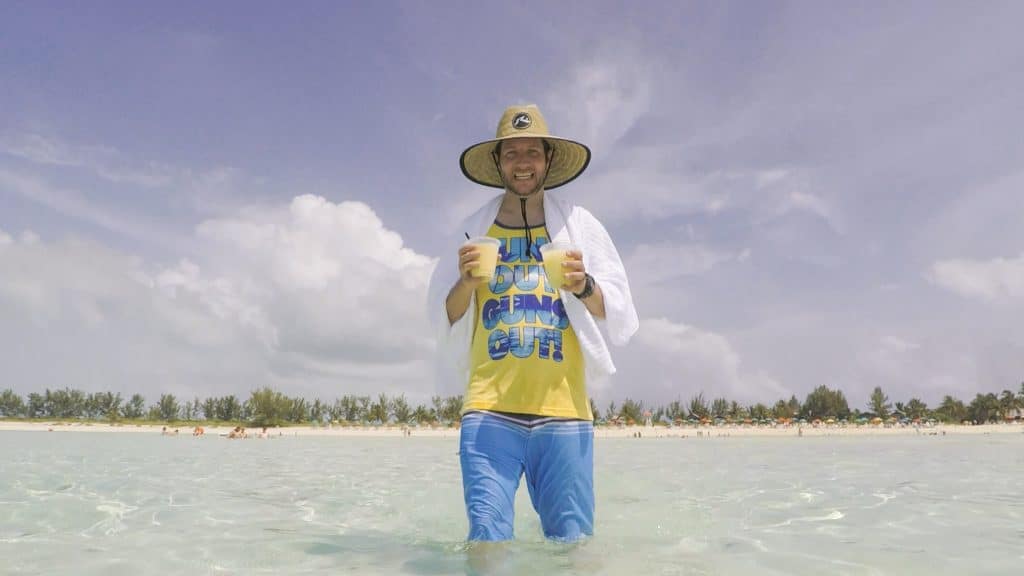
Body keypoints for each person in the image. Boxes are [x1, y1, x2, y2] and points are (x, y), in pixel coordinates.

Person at [427, 104, 638, 548]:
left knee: (572, 545)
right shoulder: (471, 230)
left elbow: (618, 311)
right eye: (511, 153)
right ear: (499, 163)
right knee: (485, 542)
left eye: (532, 152)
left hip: (564, 413)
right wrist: (466, 282)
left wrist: (583, 285)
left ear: (547, 160)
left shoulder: (579, 225)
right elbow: (442, 315)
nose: (522, 162)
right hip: (488, 412)